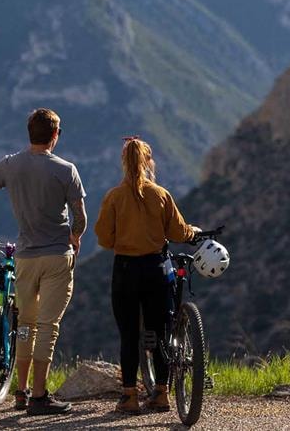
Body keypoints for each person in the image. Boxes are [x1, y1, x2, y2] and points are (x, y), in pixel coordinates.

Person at [0, 108, 86, 415]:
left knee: (24, 325)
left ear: (30, 133)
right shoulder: (67, 170)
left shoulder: (9, 165)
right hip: (57, 257)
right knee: (47, 326)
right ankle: (40, 396)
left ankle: (21, 391)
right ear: (54, 136)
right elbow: (81, 218)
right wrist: (75, 239)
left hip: (25, 257)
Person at [94, 136, 199, 414]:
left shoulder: (114, 197)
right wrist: (193, 232)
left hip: (126, 270)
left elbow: (104, 238)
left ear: (123, 164)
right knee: (162, 332)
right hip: (156, 269)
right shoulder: (161, 195)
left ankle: (129, 396)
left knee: (128, 334)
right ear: (148, 162)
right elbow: (178, 233)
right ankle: (162, 394)